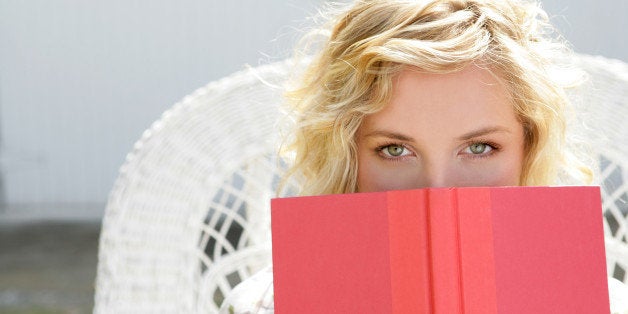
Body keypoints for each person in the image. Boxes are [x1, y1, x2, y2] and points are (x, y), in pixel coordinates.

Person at [219, 0, 627, 312]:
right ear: (346, 154)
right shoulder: (261, 305)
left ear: (529, 146)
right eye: (395, 150)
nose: (437, 192)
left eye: (479, 148)